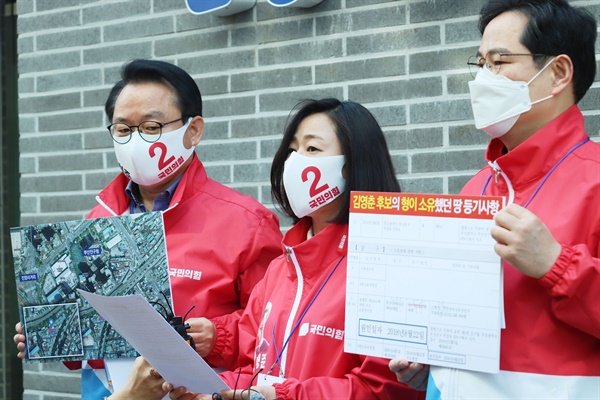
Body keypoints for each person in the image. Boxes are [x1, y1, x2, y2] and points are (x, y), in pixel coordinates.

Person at [13, 59, 283, 399]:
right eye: (123, 129)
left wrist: (215, 339)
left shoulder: (247, 222)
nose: (136, 140)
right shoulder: (98, 219)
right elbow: (91, 336)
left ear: (193, 129)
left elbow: (277, 335)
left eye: (152, 127)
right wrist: (54, 334)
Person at [390, 0, 599, 398]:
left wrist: (557, 265)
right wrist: (431, 366)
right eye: (481, 63)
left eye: (500, 62)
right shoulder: (478, 187)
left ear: (557, 72)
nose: (484, 78)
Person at [161, 98, 425, 400]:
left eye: (312, 149)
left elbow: (382, 389)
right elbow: (257, 362)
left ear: (354, 164)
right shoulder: (281, 267)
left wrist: (280, 396)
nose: (296, 161)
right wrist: (209, 390)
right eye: (292, 149)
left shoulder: (384, 266)